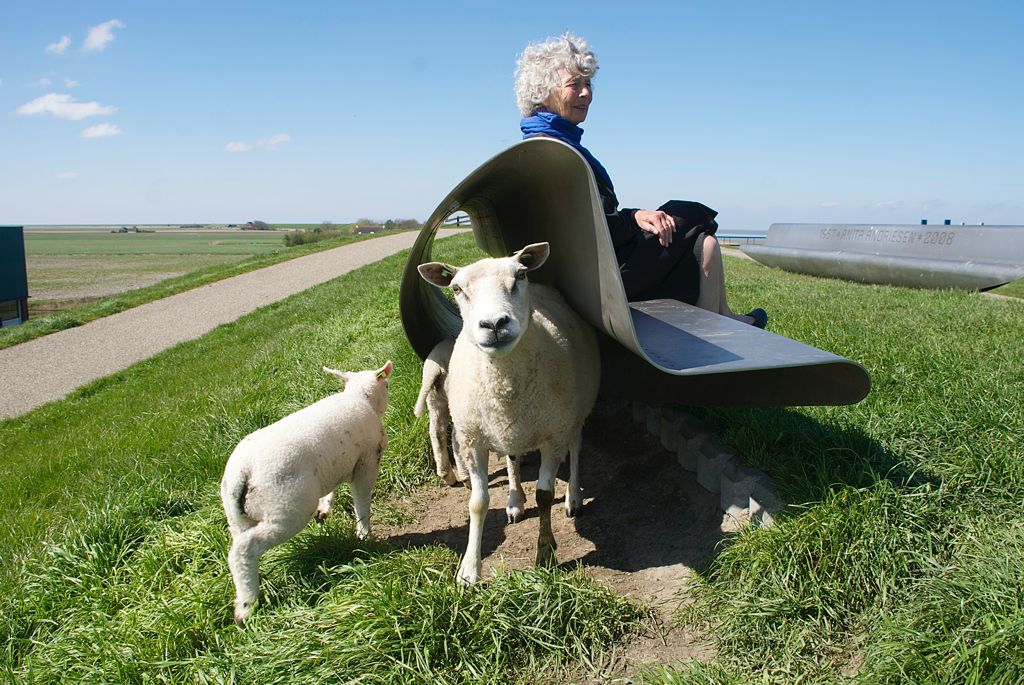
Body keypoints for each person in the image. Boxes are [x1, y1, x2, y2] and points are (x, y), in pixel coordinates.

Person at [514, 33, 767, 328]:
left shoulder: (539, 146)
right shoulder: (558, 153)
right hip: (603, 282)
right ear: (543, 92)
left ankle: (722, 317)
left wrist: (634, 215)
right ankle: (720, 320)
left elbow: (593, 220)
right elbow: (603, 230)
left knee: (702, 240)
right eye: (574, 85)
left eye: (588, 84)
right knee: (691, 215)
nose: (586, 93)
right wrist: (634, 219)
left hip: (583, 276)